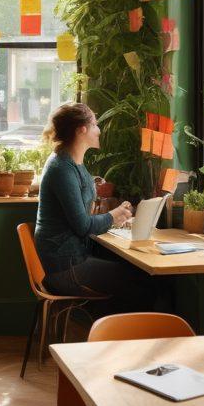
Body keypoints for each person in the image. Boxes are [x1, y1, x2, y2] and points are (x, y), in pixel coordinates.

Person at [34, 102, 153, 309]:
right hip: (65, 266)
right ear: (82, 130)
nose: (99, 130)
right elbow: (82, 225)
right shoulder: (62, 168)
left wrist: (117, 218)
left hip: (70, 258)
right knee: (146, 283)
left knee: (139, 277)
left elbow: (81, 216)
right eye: (95, 125)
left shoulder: (72, 162)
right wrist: (113, 216)